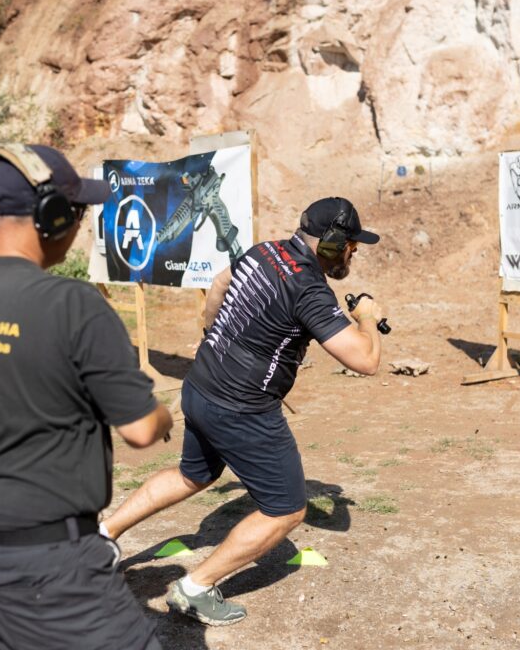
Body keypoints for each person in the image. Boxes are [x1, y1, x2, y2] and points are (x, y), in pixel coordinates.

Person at [0, 143, 173, 650]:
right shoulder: (73, 304)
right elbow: (141, 429)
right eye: (78, 213)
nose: (79, 226)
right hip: (49, 565)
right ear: (52, 215)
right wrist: (163, 414)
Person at [104, 196, 384, 625]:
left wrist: (213, 336)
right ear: (330, 243)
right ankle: (195, 588)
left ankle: (102, 536)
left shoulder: (263, 251)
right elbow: (365, 360)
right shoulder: (309, 289)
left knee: (192, 475)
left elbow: (219, 286)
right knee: (286, 509)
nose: (353, 252)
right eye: (350, 244)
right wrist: (367, 318)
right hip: (242, 409)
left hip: (201, 383)